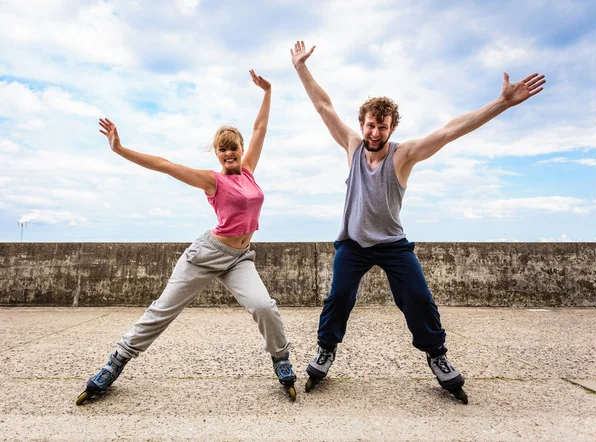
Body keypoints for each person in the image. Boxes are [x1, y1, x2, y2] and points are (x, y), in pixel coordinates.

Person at [290, 41, 545, 403]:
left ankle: (437, 355)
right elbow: (323, 106)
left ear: (391, 128)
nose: (374, 132)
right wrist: (301, 68)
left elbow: (449, 131)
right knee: (339, 296)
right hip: (353, 243)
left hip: (392, 244)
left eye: (382, 126)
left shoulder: (404, 155)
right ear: (362, 125)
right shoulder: (352, 146)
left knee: (417, 297)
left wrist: (501, 103)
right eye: (369, 125)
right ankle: (326, 349)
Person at [76, 70, 298, 404]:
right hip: (207, 254)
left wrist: (267, 91)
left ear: (241, 148)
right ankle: (116, 361)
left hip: (239, 258)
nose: (228, 153)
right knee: (164, 310)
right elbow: (165, 165)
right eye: (222, 150)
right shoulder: (213, 181)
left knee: (264, 306)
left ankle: (280, 359)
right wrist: (119, 149)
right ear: (217, 153)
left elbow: (260, 128)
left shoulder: (249, 170)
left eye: (232, 148)